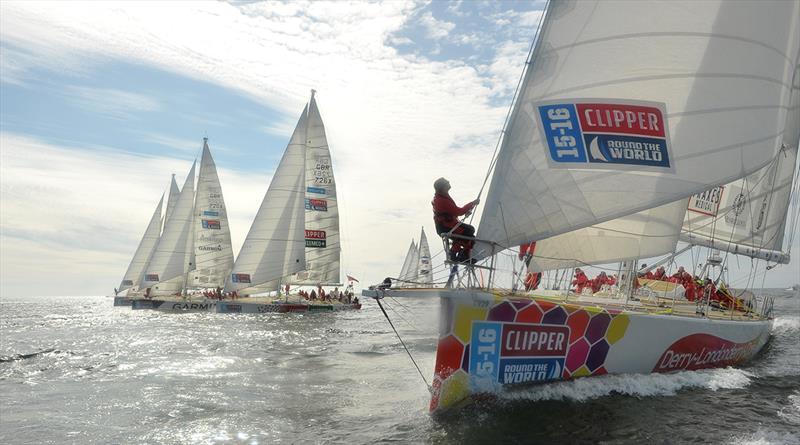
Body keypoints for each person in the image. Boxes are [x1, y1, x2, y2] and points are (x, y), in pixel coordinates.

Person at [432, 177, 480, 262]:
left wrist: (467, 209)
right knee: (468, 232)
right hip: (446, 227)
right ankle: (457, 254)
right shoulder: (441, 200)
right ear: (442, 187)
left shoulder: (441, 197)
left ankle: (459, 255)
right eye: (447, 182)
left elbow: (453, 212)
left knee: (468, 234)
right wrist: (472, 203)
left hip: (445, 226)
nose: (449, 183)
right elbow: (459, 211)